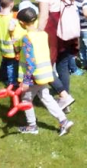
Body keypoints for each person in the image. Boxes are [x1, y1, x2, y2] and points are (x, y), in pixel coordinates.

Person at [15, 7, 74, 136]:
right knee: (46, 97)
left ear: (22, 23)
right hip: (45, 73)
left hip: (34, 77)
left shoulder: (27, 38)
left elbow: (30, 62)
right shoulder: (42, 34)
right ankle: (64, 121)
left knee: (26, 99)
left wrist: (25, 81)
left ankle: (32, 126)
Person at [35, 0, 77, 108]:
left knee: (44, 65)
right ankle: (66, 99)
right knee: (63, 64)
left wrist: (37, 33)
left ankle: (63, 95)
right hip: (67, 28)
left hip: (53, 31)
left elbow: (44, 15)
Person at [0, 0, 22, 87]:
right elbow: (11, 29)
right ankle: (12, 82)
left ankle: (2, 75)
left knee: (5, 61)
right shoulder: (12, 18)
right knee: (11, 65)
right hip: (11, 47)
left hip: (3, 46)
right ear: (11, 4)